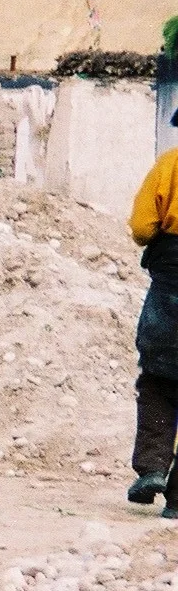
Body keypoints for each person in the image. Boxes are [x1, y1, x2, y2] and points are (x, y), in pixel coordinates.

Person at [126, 144, 178, 513]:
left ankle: (153, 466)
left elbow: (143, 227)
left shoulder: (171, 162)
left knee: (158, 379)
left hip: (170, 287)